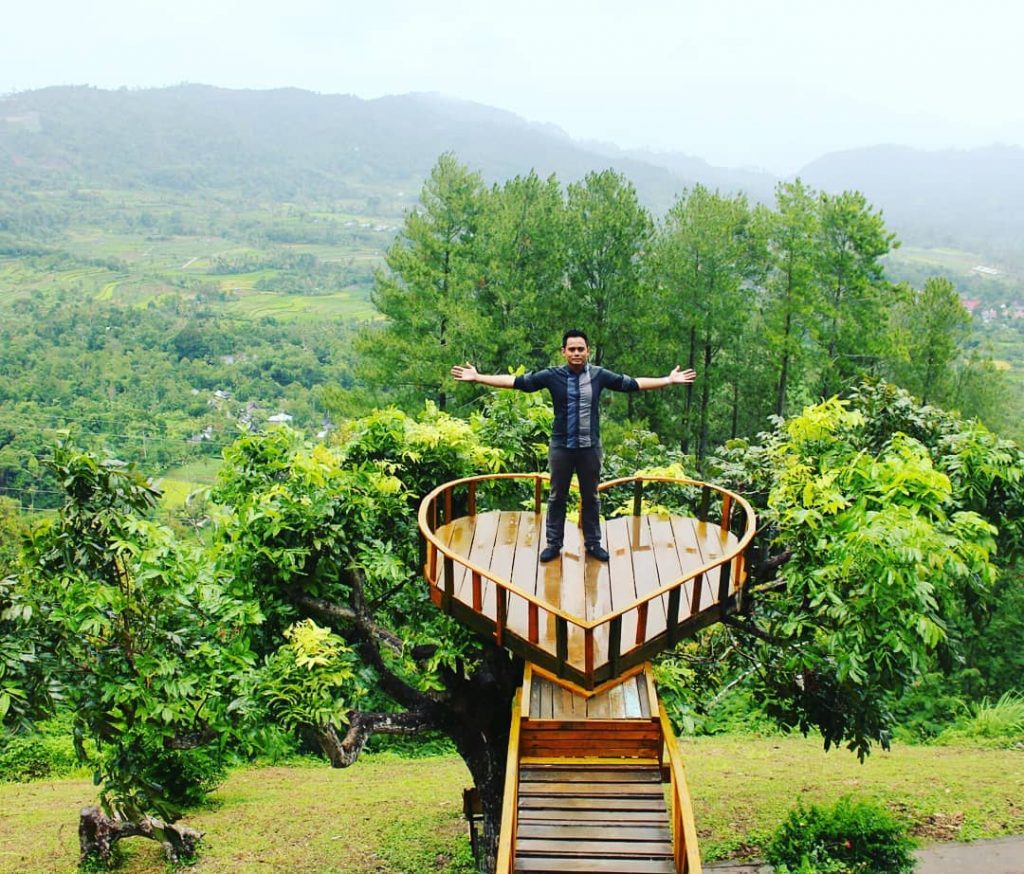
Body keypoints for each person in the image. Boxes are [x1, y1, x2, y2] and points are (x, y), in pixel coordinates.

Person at [451, 329, 696, 563]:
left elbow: (632, 384)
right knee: (558, 496)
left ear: (588, 351)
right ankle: (553, 544)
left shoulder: (599, 375)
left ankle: (593, 543)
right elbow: (516, 382)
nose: (576, 353)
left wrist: (668, 380)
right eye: (572, 349)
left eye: (581, 349)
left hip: (590, 447)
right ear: (564, 352)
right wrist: (478, 377)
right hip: (561, 447)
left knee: (590, 496)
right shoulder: (551, 376)